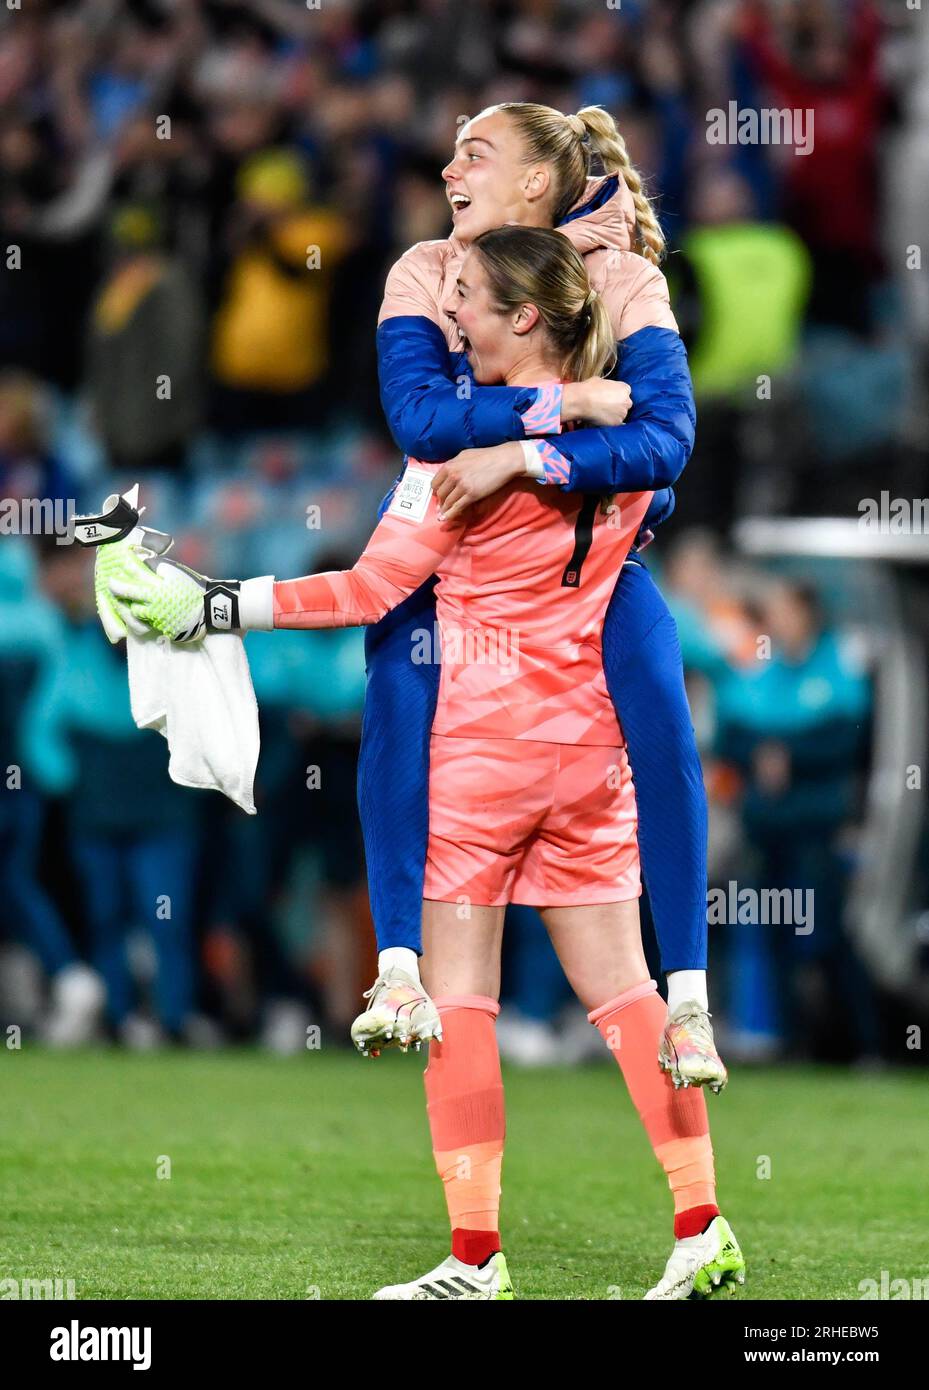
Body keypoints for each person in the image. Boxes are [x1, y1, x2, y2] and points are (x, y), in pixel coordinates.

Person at [97, 225, 744, 1301]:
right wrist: (567, 414)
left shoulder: (453, 454)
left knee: (461, 1005)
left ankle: (476, 1257)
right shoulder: (620, 450)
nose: (454, 319)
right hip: (586, 754)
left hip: (481, 757)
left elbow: (360, 591)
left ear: (521, 318)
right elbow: (657, 471)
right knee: (628, 999)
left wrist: (212, 602)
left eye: (471, 305)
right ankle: (701, 1224)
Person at [355, 102, 722, 1089]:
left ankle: (687, 995)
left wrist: (522, 452)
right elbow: (421, 420)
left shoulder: (624, 278)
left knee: (660, 718)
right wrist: (566, 403)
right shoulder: (426, 270)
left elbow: (667, 442)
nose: (445, 169)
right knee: (394, 672)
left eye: (473, 152)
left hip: (580, 566)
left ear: (533, 182)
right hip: (457, 562)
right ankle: (397, 971)